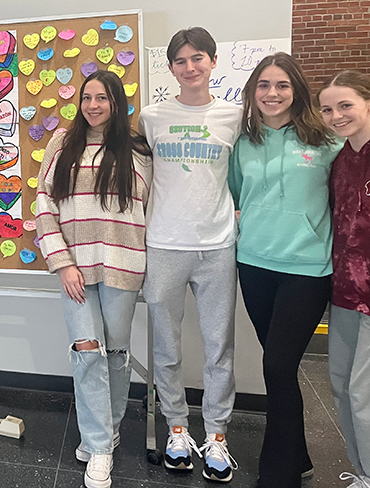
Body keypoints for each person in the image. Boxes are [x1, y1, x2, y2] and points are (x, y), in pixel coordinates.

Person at [229, 52, 340, 487]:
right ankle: (299, 455)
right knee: (281, 366)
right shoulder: (244, 142)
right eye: (263, 86)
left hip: (308, 270)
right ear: (252, 93)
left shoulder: (325, 140)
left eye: (281, 85)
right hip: (254, 266)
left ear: (297, 90)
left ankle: (278, 475)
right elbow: (237, 197)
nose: (272, 94)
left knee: (276, 365)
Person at [36, 71, 152, 488]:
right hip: (76, 269)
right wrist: (62, 262)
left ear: (117, 103)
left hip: (124, 265)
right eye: (87, 97)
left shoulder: (138, 150)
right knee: (87, 351)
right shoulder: (61, 144)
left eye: (102, 97)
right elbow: (44, 203)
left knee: (116, 354)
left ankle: (104, 431)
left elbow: (149, 208)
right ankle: (101, 448)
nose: (93, 105)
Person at [138, 27, 242, 482]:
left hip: (218, 246)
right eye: (180, 61)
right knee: (167, 346)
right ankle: (177, 428)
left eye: (197, 58)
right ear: (171, 68)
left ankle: (217, 435)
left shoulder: (234, 116)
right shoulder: (151, 116)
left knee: (220, 346)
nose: (190, 67)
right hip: (163, 245)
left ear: (213, 62)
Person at [319, 70, 370, 488]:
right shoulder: (338, 160)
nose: (336, 116)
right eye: (328, 109)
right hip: (342, 293)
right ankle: (360, 472)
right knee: (339, 385)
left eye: (346, 105)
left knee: (363, 395)